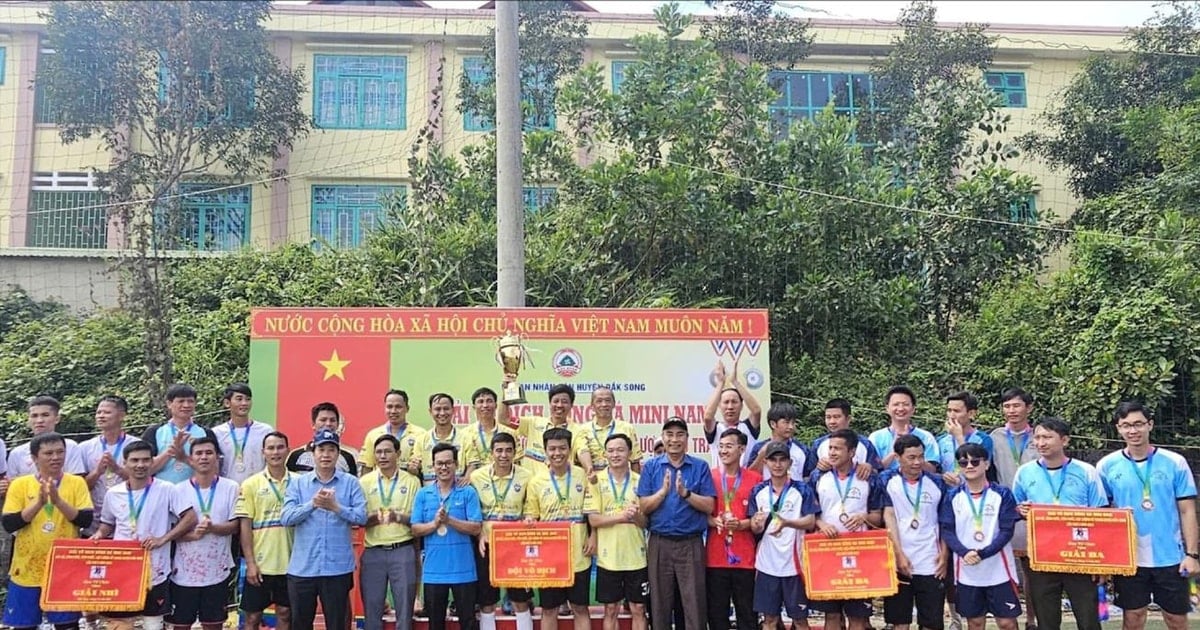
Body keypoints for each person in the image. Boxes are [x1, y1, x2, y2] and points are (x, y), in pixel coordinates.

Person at [1097, 401, 1199, 630]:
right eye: (1126, 425)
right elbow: (1101, 515)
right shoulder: (1106, 466)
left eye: (1138, 424)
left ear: (1150, 425)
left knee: (1177, 620)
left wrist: (1192, 554)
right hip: (1129, 559)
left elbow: (1187, 510)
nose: (1133, 431)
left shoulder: (1175, 462)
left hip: (1170, 556)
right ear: (1118, 429)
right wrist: (1105, 560)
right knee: (1133, 618)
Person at [91, 440, 197, 630]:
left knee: (153, 623)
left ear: (152, 462)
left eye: (146, 460)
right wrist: (99, 534)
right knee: (120, 623)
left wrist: (163, 539)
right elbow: (107, 523)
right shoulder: (113, 493)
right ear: (125, 463)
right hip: (122, 568)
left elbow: (190, 518)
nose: (140, 465)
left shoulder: (166, 489)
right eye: (135, 460)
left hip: (155, 568)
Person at [1011, 417, 1105, 630]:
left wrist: (1100, 563)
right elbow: (1016, 508)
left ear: (1064, 440)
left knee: (1088, 620)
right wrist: (1020, 510)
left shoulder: (1086, 471)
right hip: (1042, 557)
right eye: (1037, 437)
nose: (1041, 442)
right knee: (1047, 621)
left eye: (1047, 437)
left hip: (1080, 555)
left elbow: (1100, 515)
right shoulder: (1025, 472)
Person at [1, 432, 94, 630]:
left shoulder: (76, 483)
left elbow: (85, 519)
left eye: (60, 452)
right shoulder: (20, 484)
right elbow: (10, 524)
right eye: (48, 453)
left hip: (64, 568)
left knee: (67, 625)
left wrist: (58, 501)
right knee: (24, 625)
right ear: (35, 458)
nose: (55, 457)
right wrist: (39, 503)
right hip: (27, 568)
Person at [281, 428, 367, 630]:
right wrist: (313, 504)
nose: (326, 455)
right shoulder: (298, 484)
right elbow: (286, 517)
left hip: (337, 568)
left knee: (338, 624)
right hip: (303, 568)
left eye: (331, 450)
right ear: (313, 453)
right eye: (321, 450)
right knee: (300, 624)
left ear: (338, 454)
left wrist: (336, 508)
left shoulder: (351, 483)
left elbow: (361, 516)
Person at [636, 416, 717, 630]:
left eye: (680, 434)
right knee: (660, 604)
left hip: (690, 544)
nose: (674, 439)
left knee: (694, 604)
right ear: (663, 437)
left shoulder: (699, 466)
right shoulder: (652, 467)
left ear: (687, 438)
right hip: (660, 543)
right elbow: (643, 506)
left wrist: (686, 493)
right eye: (669, 434)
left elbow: (709, 506)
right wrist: (662, 492)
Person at [940, 444, 1021, 630]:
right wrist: (964, 552)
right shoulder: (952, 496)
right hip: (967, 569)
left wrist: (982, 553)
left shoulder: (1003, 494)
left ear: (986, 464)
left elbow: (1007, 530)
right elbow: (947, 530)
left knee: (1007, 623)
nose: (969, 466)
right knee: (975, 622)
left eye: (975, 461)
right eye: (963, 462)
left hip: (999, 569)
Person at [809, 429, 884, 630]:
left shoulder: (869, 477)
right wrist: (822, 524)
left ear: (852, 452)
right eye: (830, 448)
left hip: (859, 552)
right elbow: (811, 514)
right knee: (831, 615)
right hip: (827, 552)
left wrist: (864, 517)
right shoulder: (818, 476)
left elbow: (878, 516)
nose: (832, 453)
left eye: (837, 449)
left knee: (857, 616)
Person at [524, 427, 598, 630]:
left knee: (580, 608)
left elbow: (593, 511)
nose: (557, 453)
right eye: (552, 449)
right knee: (549, 609)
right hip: (549, 558)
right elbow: (531, 513)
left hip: (579, 556)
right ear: (545, 451)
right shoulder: (536, 482)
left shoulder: (583, 476)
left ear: (570, 449)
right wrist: (530, 520)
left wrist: (594, 537)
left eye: (562, 448)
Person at [168, 436, 240, 630]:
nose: (204, 457)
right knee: (181, 625)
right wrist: (192, 535)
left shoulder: (231, 487)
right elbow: (171, 532)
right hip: (182, 573)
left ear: (217, 457)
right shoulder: (177, 490)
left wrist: (212, 528)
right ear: (190, 459)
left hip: (218, 571)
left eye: (209, 453)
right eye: (198, 453)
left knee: (214, 624)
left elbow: (235, 526)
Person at [880, 434, 949, 630]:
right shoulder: (886, 480)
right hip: (899, 560)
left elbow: (944, 522)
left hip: (931, 561)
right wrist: (898, 554)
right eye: (911, 457)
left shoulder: (937, 483)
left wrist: (944, 556)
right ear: (897, 457)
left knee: (931, 621)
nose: (917, 462)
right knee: (899, 622)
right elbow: (889, 517)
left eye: (921, 456)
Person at [412, 443, 483, 630]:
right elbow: (415, 529)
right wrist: (434, 524)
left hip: (464, 570)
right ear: (433, 466)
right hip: (434, 573)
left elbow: (476, 527)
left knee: (468, 623)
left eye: (448, 463)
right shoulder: (423, 494)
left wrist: (449, 520)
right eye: (439, 463)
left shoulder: (468, 492)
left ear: (456, 464)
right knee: (435, 624)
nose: (444, 467)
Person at [749, 442, 819, 630]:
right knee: (769, 619)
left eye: (782, 460)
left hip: (794, 565)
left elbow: (811, 521)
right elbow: (754, 528)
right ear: (765, 462)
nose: (778, 464)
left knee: (800, 620)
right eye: (773, 460)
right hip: (766, 564)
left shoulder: (802, 489)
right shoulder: (758, 491)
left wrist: (788, 523)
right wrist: (756, 524)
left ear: (790, 462)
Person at [470, 432, 535, 630]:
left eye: (508, 450)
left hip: (515, 544)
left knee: (520, 599)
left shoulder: (527, 477)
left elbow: (531, 508)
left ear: (515, 453)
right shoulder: (477, 477)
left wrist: (529, 520)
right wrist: (480, 533)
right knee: (487, 601)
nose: (504, 455)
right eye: (499, 450)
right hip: (486, 543)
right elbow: (472, 512)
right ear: (491, 453)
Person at [988, 387, 1040, 630]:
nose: (1011, 411)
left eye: (1016, 405)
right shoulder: (994, 437)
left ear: (1028, 408)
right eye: (1007, 406)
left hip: (1034, 512)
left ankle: (1032, 620)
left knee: (1033, 571)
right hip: (1004, 510)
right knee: (1006, 568)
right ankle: (1009, 619)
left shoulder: (1040, 436)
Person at [360, 434, 421, 630]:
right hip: (373, 552)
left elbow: (419, 521)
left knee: (404, 612)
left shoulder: (412, 481)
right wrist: (372, 518)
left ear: (398, 454)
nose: (382, 456)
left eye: (387, 451)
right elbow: (357, 518)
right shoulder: (364, 482)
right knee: (372, 610)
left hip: (402, 550)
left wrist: (398, 517)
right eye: (378, 452)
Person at [237, 432, 296, 630]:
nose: (275, 452)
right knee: (252, 617)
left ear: (288, 450)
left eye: (280, 447)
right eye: (270, 448)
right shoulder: (251, 484)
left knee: (285, 614)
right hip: (261, 564)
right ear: (263, 452)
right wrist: (251, 563)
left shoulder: (299, 482)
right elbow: (245, 525)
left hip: (291, 563)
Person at [588, 433, 648, 630]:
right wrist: (623, 517)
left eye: (620, 450)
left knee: (638, 608)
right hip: (608, 558)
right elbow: (593, 519)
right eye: (611, 450)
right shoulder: (596, 481)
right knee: (611, 609)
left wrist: (636, 516)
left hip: (636, 557)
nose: (615, 454)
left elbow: (646, 522)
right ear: (605, 454)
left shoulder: (642, 481)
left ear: (630, 453)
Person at [706, 428, 761, 630]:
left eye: (729, 446)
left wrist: (742, 524)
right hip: (715, 558)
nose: (723, 451)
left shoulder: (755, 479)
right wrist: (714, 521)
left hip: (745, 559)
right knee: (717, 615)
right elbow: (701, 514)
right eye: (720, 446)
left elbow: (759, 517)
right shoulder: (709, 477)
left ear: (742, 449)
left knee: (747, 615)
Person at [499, 382, 594, 475]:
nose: (559, 405)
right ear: (550, 403)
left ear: (571, 405)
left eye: (564, 402)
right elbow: (504, 419)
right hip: (531, 485)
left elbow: (583, 451)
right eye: (556, 401)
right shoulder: (533, 423)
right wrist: (506, 392)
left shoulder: (577, 430)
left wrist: (589, 468)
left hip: (560, 485)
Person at [142, 384, 220, 483]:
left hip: (195, 491)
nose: (186, 405)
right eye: (181, 401)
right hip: (161, 492)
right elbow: (144, 470)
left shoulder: (205, 433)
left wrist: (183, 457)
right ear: (169, 404)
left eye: (190, 401)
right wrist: (171, 451)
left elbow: (215, 471)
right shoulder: (154, 432)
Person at [80, 395, 134, 530]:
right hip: (93, 520)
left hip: (127, 516)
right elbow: (81, 487)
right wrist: (97, 472)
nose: (101, 416)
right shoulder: (84, 447)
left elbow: (143, 482)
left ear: (121, 416)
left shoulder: (136, 445)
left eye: (107, 412)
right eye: (98, 412)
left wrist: (117, 469)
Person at [702, 360, 763, 467]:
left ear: (741, 405)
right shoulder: (716, 428)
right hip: (720, 481)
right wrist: (721, 383)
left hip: (746, 480)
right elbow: (708, 416)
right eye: (726, 402)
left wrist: (735, 382)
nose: (730, 407)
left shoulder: (747, 427)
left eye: (734, 402)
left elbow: (756, 411)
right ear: (719, 406)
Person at [7, 395, 86, 476]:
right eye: (34, 416)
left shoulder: (70, 447)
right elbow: (12, 485)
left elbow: (77, 480)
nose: (39, 420)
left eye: (45, 415)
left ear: (57, 419)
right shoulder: (17, 454)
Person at [212, 383, 274, 484]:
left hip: (258, 489)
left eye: (248, 399)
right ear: (227, 403)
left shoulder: (265, 431)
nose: (244, 403)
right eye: (239, 399)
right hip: (228, 490)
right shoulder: (217, 433)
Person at [869, 386, 939, 474]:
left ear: (913, 409)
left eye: (905, 404)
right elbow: (873, 471)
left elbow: (932, 470)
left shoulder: (926, 437)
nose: (901, 409)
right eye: (896, 404)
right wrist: (895, 452)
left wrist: (913, 452)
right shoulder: (876, 437)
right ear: (887, 408)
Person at [413, 393, 476, 484]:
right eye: (437, 409)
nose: (442, 413)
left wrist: (467, 478)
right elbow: (416, 468)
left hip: (457, 491)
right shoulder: (421, 439)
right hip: (430, 493)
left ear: (453, 410)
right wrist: (413, 469)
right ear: (430, 411)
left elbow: (472, 464)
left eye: (446, 409)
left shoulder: (466, 437)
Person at [577, 387, 644, 473]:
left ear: (614, 404)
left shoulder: (626, 428)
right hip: (592, 482)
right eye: (599, 401)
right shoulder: (583, 430)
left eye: (608, 400)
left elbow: (634, 461)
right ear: (592, 406)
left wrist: (636, 484)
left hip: (620, 482)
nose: (604, 404)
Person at [360, 390, 426, 475]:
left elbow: (422, 466)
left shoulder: (421, 434)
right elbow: (367, 468)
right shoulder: (373, 435)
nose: (393, 411)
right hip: (380, 485)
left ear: (407, 408)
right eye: (389, 407)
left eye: (398, 407)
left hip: (409, 485)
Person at [936, 392, 995, 487]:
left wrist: (959, 438)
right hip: (947, 494)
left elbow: (981, 469)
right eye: (949, 410)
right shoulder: (941, 440)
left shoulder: (983, 440)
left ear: (971, 413)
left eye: (956, 411)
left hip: (973, 493)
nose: (951, 415)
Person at [746, 402, 815, 482]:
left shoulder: (803, 449)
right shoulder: (759, 447)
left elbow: (808, 478)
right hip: (767, 493)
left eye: (793, 423)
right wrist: (761, 455)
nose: (791, 427)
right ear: (773, 424)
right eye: (786, 422)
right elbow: (749, 477)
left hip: (796, 493)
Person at [811, 399, 881, 478]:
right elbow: (809, 474)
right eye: (828, 417)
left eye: (836, 417)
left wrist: (869, 467)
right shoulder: (818, 444)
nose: (832, 421)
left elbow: (877, 472)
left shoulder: (865, 444)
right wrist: (819, 467)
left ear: (848, 418)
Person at [286, 402, 359, 474]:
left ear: (337, 425)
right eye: (323, 420)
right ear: (313, 424)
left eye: (332, 420)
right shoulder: (296, 456)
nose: (328, 424)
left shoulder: (348, 457)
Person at [461, 386, 520, 475]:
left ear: (496, 405)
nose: (485, 405)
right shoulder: (464, 434)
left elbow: (517, 462)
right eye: (480, 402)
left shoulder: (510, 433)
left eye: (489, 401)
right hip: (475, 482)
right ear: (474, 407)